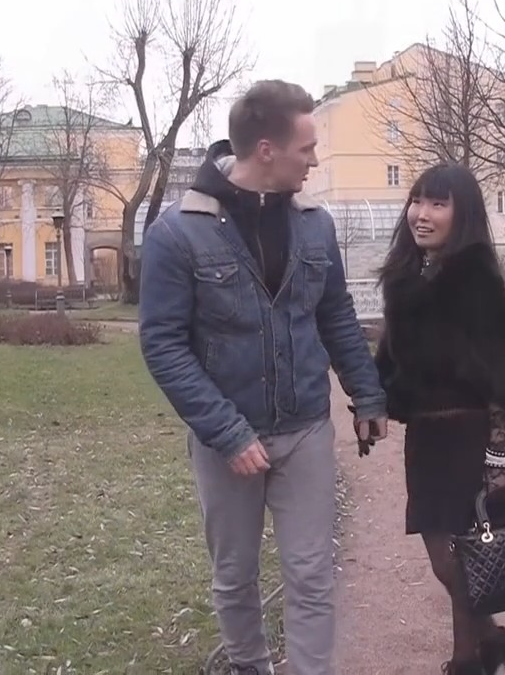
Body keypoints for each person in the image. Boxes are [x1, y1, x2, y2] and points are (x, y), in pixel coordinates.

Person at [137, 79, 389, 675]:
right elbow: (163, 345)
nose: (315, 160)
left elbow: (335, 315)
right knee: (234, 576)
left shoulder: (315, 226)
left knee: (311, 573)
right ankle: (250, 665)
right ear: (268, 150)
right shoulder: (176, 233)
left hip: (305, 430)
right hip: (226, 442)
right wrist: (227, 433)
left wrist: (366, 392)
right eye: (307, 148)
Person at [372, 163, 505, 675]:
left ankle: (467, 661)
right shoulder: (405, 278)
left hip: (470, 437)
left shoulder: (477, 278)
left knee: (458, 557)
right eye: (417, 200)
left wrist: (499, 455)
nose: (421, 214)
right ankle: (490, 640)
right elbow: (391, 357)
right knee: (443, 559)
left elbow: (504, 370)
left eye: (437, 204)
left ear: (461, 214)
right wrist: (371, 397)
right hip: (426, 440)